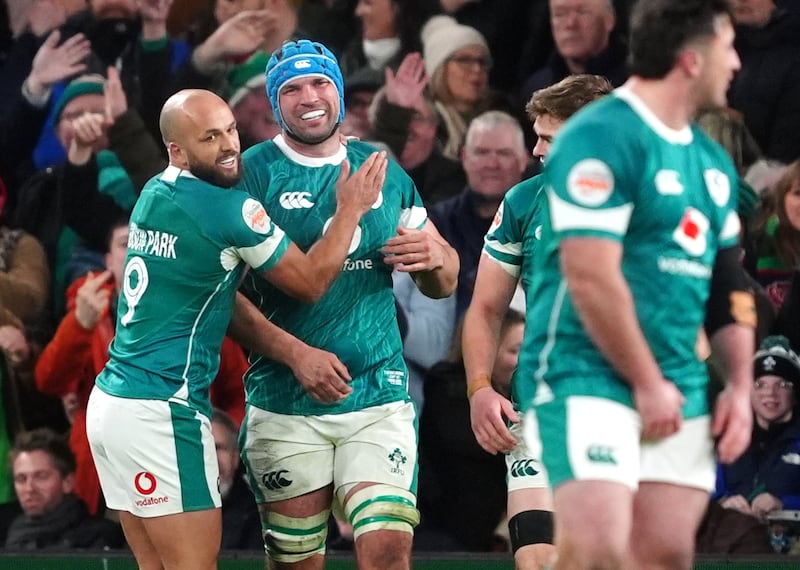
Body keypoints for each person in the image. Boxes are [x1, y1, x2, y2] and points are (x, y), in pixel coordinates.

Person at [85, 87, 387, 569]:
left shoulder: (153, 194)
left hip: (112, 407)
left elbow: (219, 296)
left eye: (231, 130)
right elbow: (309, 283)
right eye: (210, 138)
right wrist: (350, 207)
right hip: (161, 411)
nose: (229, 146)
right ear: (177, 150)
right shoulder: (228, 211)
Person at [513, 1, 757, 568]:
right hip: (584, 372)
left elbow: (728, 288)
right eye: (728, 46)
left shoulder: (712, 165)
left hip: (677, 380)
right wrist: (645, 383)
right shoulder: (600, 135)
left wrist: (740, 388)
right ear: (691, 59)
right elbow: (590, 274)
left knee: (665, 555)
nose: (738, 62)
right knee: (597, 552)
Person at [236, 39, 459, 570]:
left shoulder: (380, 168)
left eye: (319, 83)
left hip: (377, 394)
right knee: (297, 563)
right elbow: (224, 300)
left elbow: (444, 281)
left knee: (387, 551)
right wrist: (296, 356)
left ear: (337, 91)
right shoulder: (251, 175)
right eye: (291, 88)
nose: (308, 97)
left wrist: (434, 258)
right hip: (285, 400)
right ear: (274, 103)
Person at [463, 73, 613, 570]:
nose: (537, 148)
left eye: (550, 136)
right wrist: (481, 388)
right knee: (536, 558)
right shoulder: (524, 202)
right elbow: (485, 309)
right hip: (538, 404)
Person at [4, 427, 124, 550]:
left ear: (68, 482)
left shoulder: (100, 536)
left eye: (41, 476)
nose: (29, 488)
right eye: (21, 479)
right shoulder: (12, 534)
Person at [518, 0, 628, 110]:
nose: (570, 24)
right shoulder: (536, 87)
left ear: (610, 19)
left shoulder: (633, 85)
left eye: (582, 12)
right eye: (560, 14)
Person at [211, 408, 263, 551]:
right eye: (201, 449)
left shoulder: (259, 513)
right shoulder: (168, 510)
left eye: (218, 448)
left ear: (235, 457)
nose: (210, 458)